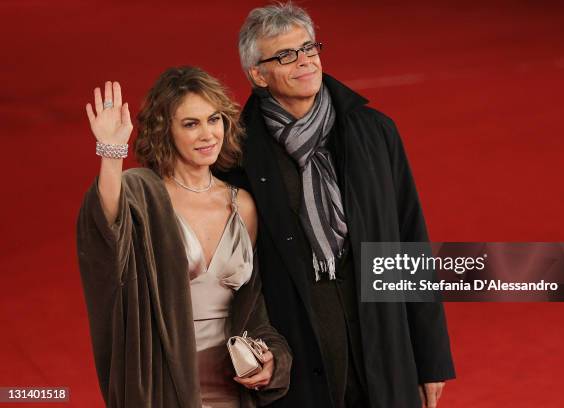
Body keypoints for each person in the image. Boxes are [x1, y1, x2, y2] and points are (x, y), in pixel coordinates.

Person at [220, 3, 456, 408]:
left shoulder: (374, 132)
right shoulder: (236, 155)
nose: (305, 61)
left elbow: (409, 238)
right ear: (258, 75)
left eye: (309, 47)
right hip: (298, 355)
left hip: (383, 343)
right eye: (286, 55)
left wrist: (429, 357)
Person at [77, 66, 292, 408]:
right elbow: (106, 235)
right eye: (191, 124)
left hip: (233, 387)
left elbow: (253, 309)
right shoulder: (140, 195)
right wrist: (111, 153)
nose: (208, 134)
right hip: (163, 385)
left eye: (214, 119)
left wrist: (271, 360)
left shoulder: (243, 204)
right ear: (166, 131)